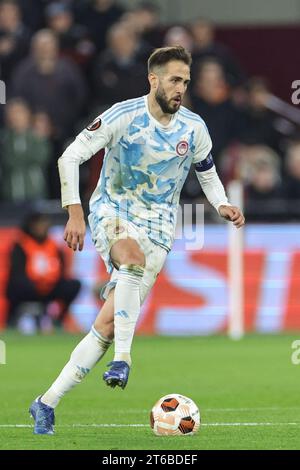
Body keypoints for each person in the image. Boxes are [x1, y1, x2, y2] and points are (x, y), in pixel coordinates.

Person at [29, 46, 245, 434]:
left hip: (160, 231)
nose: (181, 88)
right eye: (175, 80)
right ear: (154, 79)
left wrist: (223, 204)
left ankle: (45, 402)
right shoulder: (123, 116)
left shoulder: (194, 128)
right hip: (112, 212)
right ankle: (125, 359)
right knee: (129, 259)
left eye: (186, 82)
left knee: (108, 326)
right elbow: (69, 157)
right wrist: (75, 212)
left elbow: (208, 174)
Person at [6, 210, 81, 329]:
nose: (42, 227)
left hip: (49, 287)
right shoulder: (21, 245)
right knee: (17, 285)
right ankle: (11, 320)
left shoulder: (54, 246)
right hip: (29, 288)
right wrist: (36, 282)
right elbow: (17, 273)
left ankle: (59, 319)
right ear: (31, 226)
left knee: (73, 285)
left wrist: (50, 281)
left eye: (44, 224)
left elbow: (61, 271)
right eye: (39, 224)